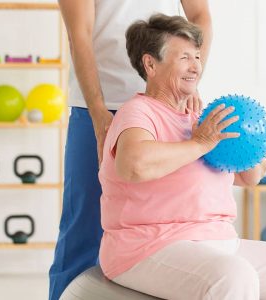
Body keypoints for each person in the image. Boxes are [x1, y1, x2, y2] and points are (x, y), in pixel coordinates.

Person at [98, 14, 266, 300]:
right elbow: (134, 165)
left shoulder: (201, 119)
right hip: (148, 246)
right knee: (235, 275)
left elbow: (249, 176)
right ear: (150, 64)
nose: (195, 67)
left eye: (197, 57)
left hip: (220, 241)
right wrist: (201, 142)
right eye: (185, 57)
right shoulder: (139, 112)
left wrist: (249, 147)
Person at [50, 1, 211, 299]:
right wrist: (98, 114)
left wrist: (190, 79)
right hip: (101, 106)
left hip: (168, 100)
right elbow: (79, 34)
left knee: (172, 222)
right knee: (84, 225)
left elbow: (201, 16)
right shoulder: (99, 112)